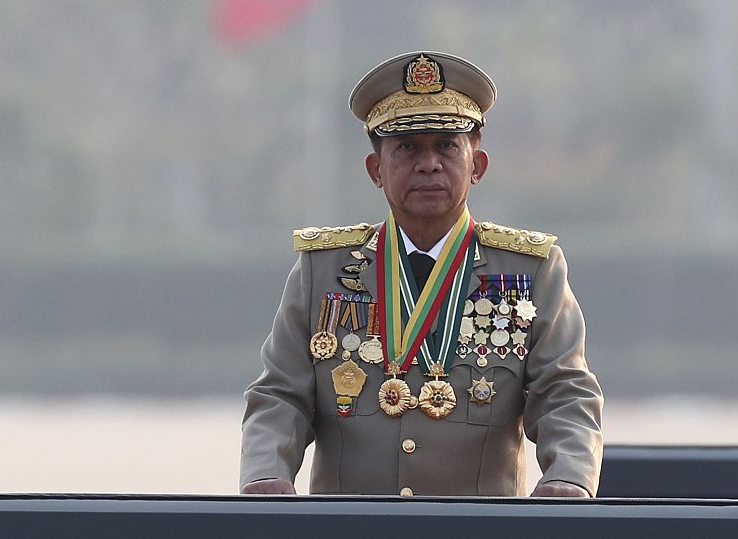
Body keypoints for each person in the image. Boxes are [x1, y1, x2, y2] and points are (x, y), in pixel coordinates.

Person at [240, 51, 603, 497]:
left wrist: (569, 478)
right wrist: (265, 472)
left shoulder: (529, 271)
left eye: (446, 146)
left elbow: (566, 395)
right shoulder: (324, 270)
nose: (428, 164)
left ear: (478, 166)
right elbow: (280, 396)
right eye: (408, 148)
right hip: (349, 528)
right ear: (376, 170)